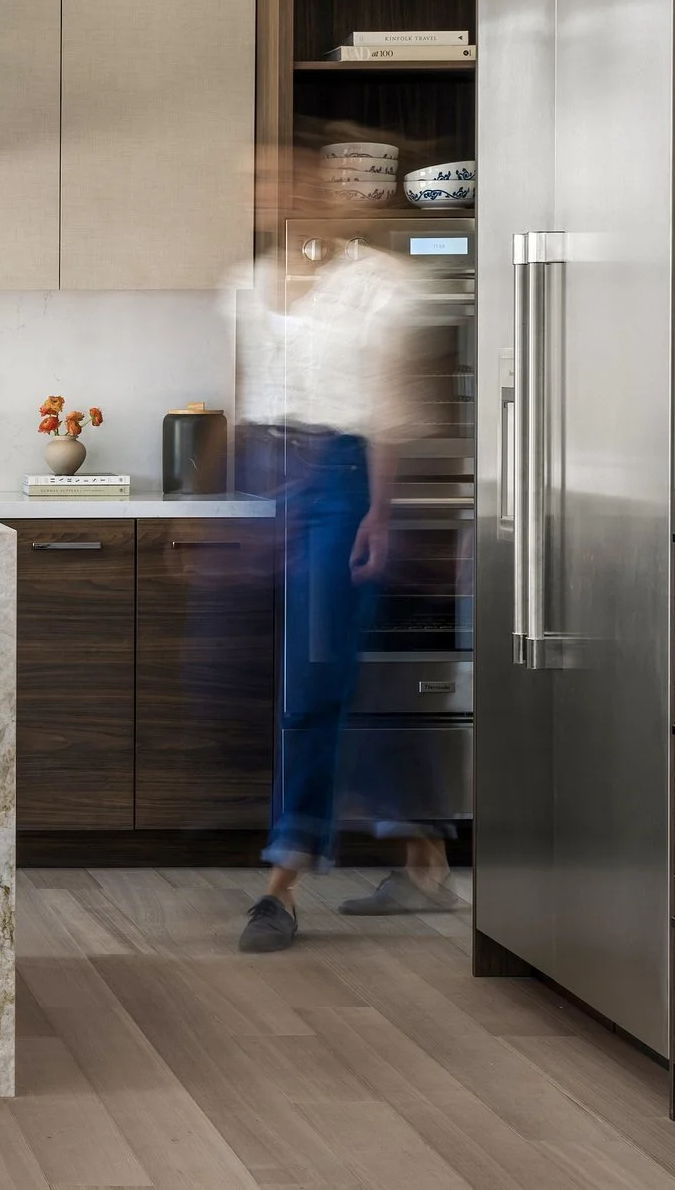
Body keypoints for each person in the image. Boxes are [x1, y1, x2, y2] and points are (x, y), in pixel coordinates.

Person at [231, 225, 452, 954]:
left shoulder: (377, 285)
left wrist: (378, 513)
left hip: (340, 481)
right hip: (278, 475)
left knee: (316, 678)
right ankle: (422, 854)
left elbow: (384, 407)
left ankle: (282, 883)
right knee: (326, 677)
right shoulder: (256, 279)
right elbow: (255, 395)